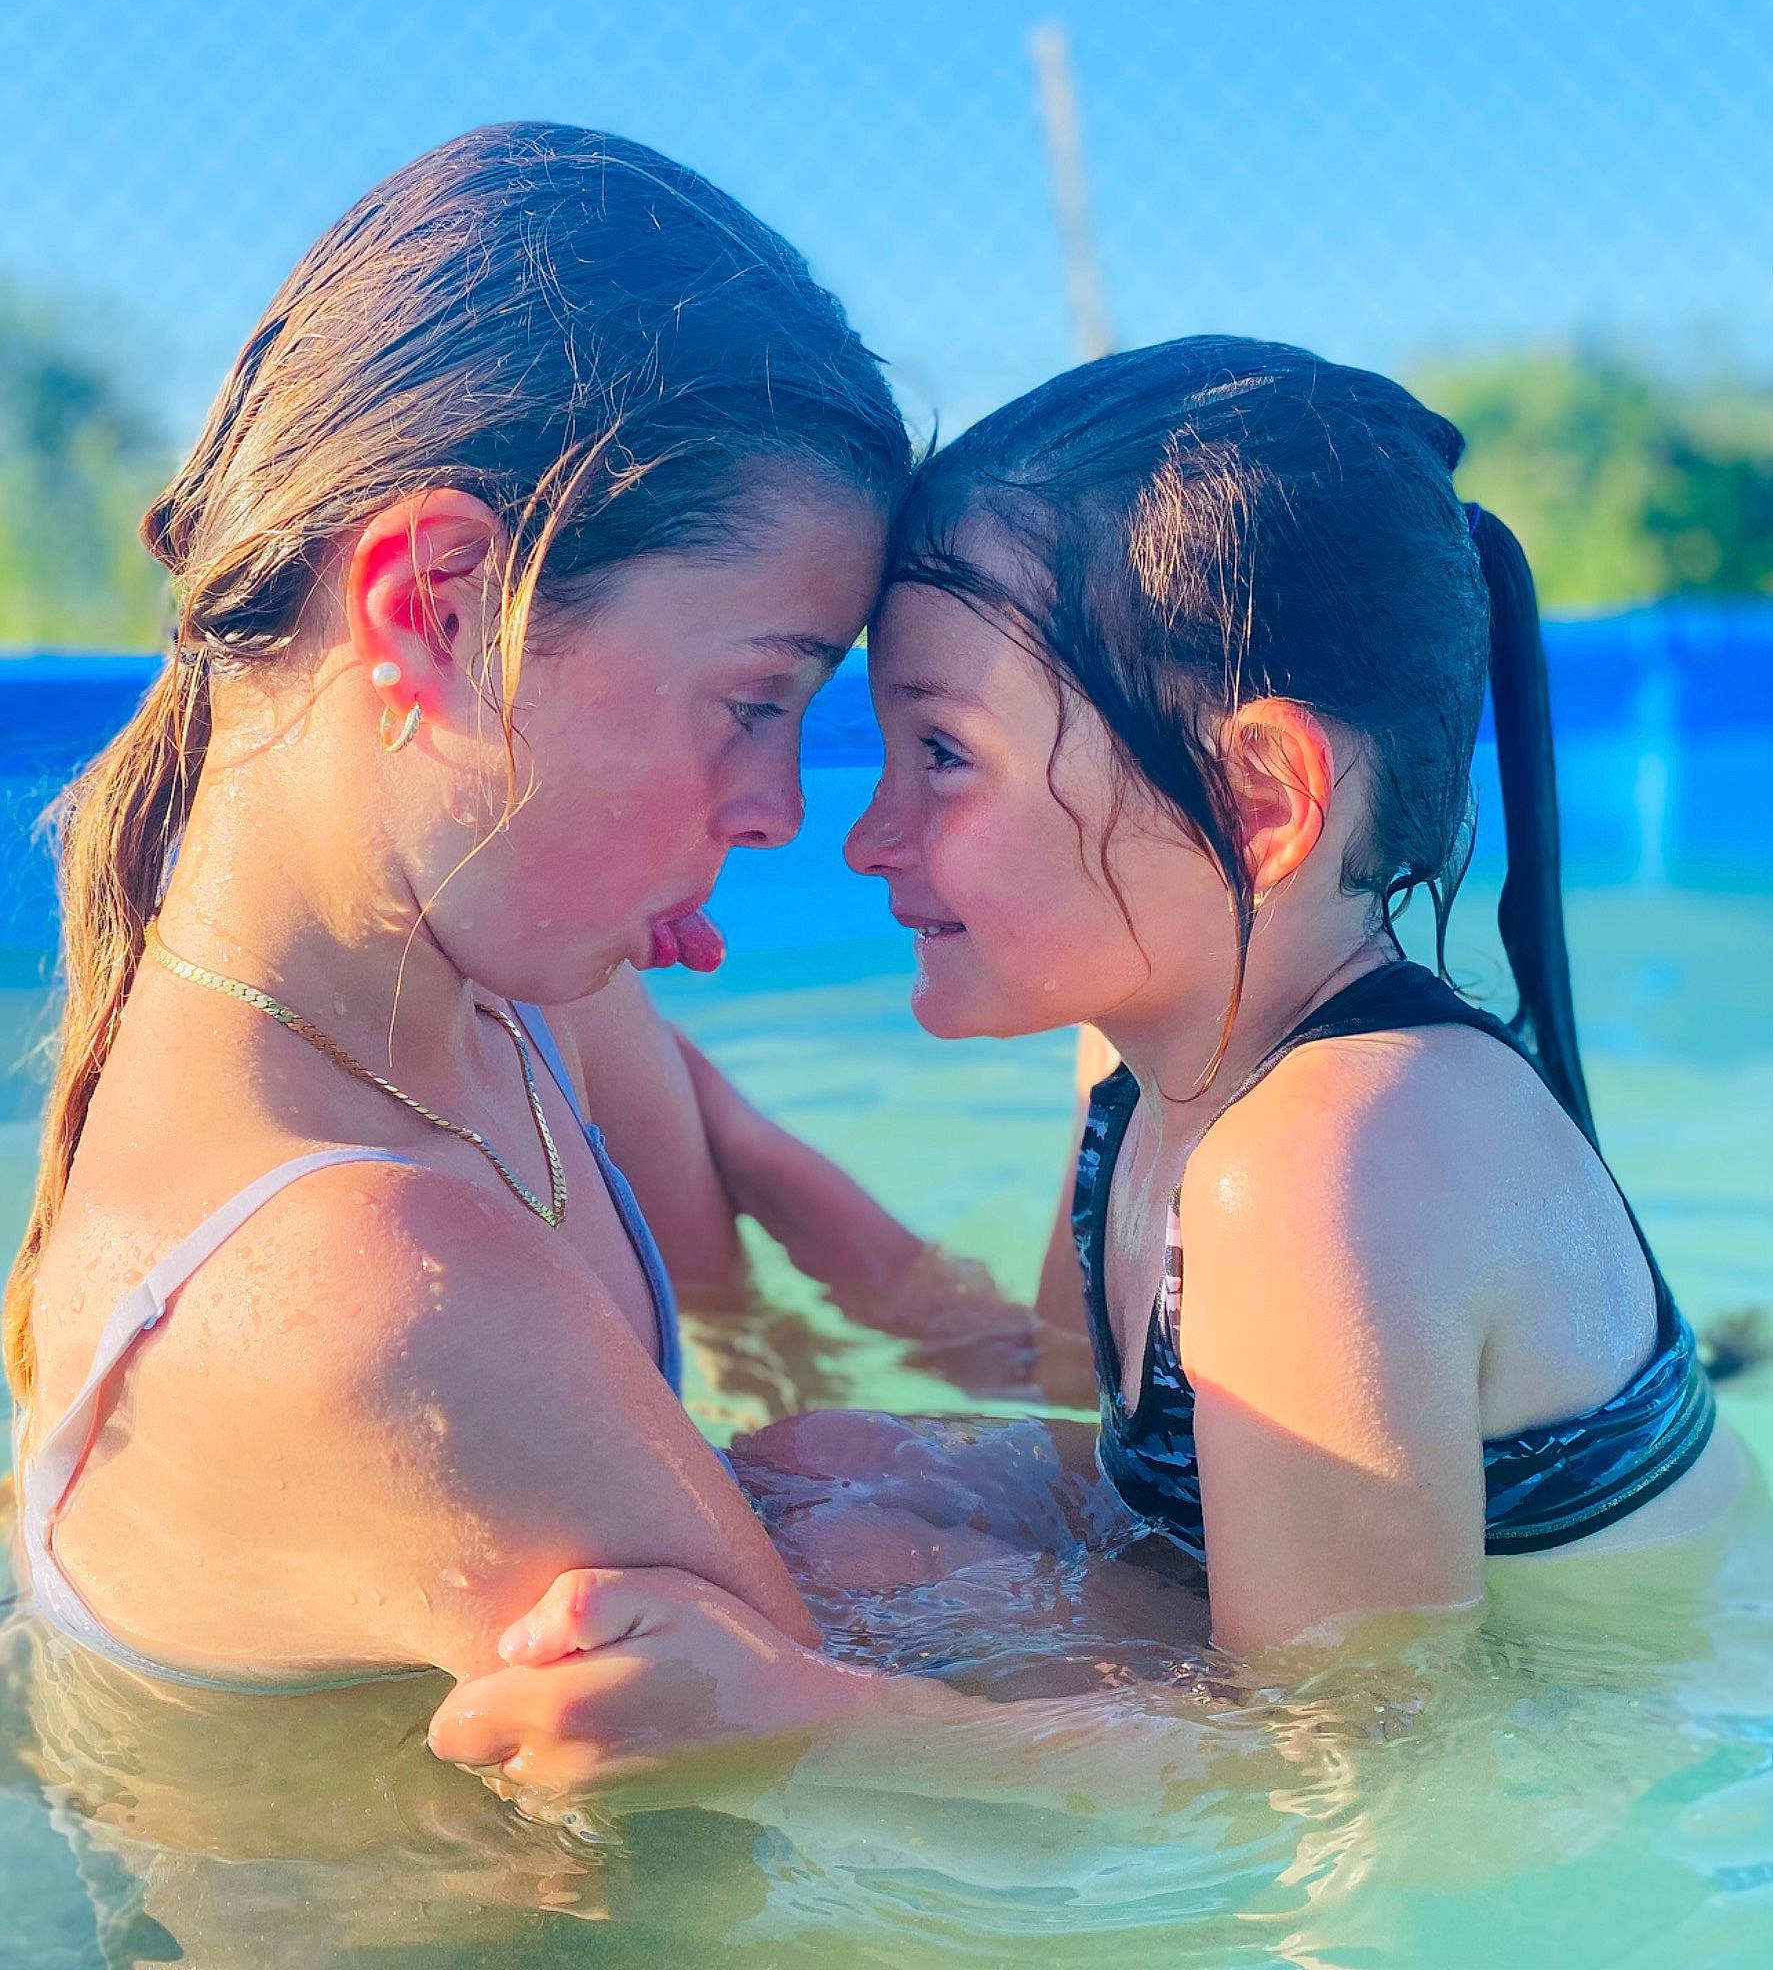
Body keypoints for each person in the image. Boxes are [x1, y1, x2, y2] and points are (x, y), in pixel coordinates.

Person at [430, 338, 1752, 1792]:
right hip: (1377, 1668)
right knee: (815, 1478)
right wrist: (742, 1170)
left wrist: (802, 1721)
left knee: (838, 1587)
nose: (863, 839)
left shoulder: (1326, 1158)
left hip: (1612, 1742)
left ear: (1256, 798)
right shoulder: (1149, 1072)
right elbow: (1073, 1394)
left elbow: (1354, 1776)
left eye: (942, 754)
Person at [4, 120, 1055, 1692]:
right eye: (753, 701)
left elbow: (732, 1217)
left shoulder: (498, 997)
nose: (783, 812)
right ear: (439, 611)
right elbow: (879, 1779)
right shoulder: (365, 1284)